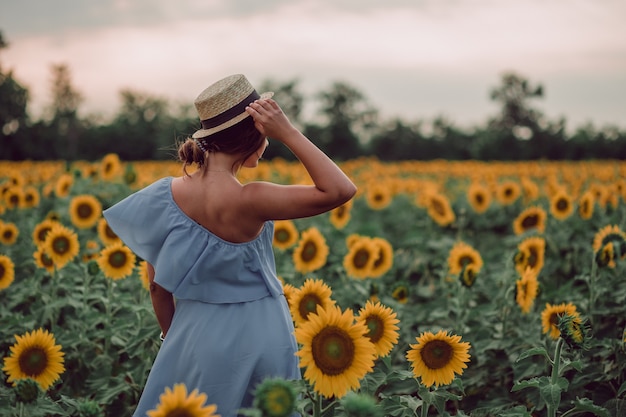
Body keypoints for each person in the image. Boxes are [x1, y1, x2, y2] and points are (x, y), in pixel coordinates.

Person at [103, 74, 357, 417]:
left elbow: (156, 287)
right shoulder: (253, 199)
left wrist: (174, 338)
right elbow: (340, 190)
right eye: (266, 135)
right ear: (256, 137)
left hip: (195, 333)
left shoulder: (163, 197)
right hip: (262, 333)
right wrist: (289, 132)